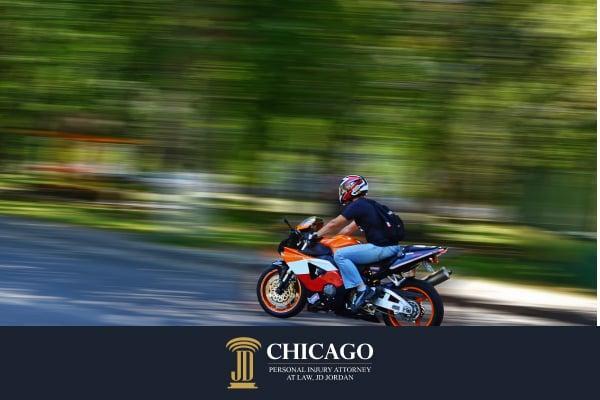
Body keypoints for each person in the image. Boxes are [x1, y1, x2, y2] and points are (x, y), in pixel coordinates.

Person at [313, 175, 403, 311]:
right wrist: (332, 241)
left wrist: (315, 235)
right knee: (349, 253)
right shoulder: (370, 205)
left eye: (345, 188)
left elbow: (334, 223)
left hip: (380, 248)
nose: (343, 191)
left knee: (340, 255)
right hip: (391, 247)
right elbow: (348, 229)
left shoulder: (358, 205)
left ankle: (362, 289)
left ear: (353, 188)